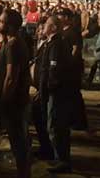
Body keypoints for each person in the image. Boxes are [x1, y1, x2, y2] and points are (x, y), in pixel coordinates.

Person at [0, 9, 31, 178]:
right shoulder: (10, 43)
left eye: (1, 21)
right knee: (17, 138)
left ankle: (23, 172)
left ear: (9, 26)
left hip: (14, 100)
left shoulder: (13, 45)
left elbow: (11, 76)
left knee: (17, 138)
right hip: (16, 98)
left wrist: (4, 98)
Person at [37, 15, 74, 173]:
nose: (43, 26)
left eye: (46, 24)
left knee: (56, 125)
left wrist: (48, 87)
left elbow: (54, 70)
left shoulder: (56, 44)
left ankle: (62, 160)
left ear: (53, 28)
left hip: (56, 92)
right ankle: (56, 155)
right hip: (51, 91)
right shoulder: (51, 43)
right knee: (52, 123)